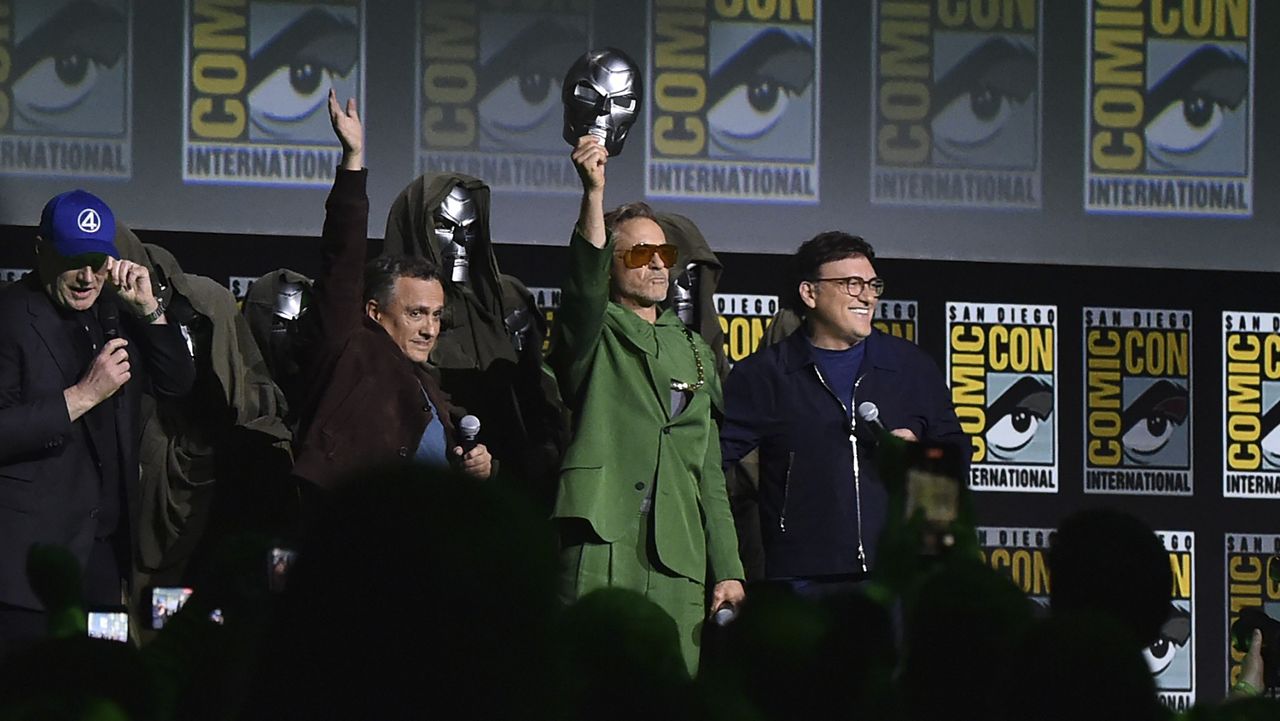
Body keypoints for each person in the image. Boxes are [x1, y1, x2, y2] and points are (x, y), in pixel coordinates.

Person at [551, 135, 744, 674]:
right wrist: (593, 192)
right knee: (587, 688)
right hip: (602, 534)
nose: (658, 265)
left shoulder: (695, 350)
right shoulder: (593, 330)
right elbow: (582, 288)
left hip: (678, 555)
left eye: (666, 254)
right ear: (611, 264)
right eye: (640, 253)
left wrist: (728, 567)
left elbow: (709, 473)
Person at [719, 232, 968, 595]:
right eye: (852, 284)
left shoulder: (911, 367)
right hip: (801, 577)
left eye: (872, 284)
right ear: (809, 293)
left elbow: (956, 453)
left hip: (898, 574)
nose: (867, 296)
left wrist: (920, 457)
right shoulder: (765, 375)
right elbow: (709, 465)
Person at [0, 190, 195, 654]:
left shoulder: (116, 312)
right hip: (28, 574)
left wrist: (148, 310)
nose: (88, 277)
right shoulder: (8, 317)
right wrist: (83, 396)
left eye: (98, 261)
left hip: (103, 566)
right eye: (73, 261)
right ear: (41, 249)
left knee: (101, 692)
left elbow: (178, 384)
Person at [290, 91, 492, 497]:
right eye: (416, 313)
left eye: (436, 316)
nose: (429, 329)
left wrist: (474, 464)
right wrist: (353, 159)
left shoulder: (427, 387)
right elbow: (342, 260)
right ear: (374, 311)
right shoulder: (350, 350)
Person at [382, 169, 568, 509]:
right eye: (446, 227)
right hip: (423, 491)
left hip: (515, 492)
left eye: (470, 228)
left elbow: (539, 397)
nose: (461, 241)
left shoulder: (506, 299)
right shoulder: (387, 304)